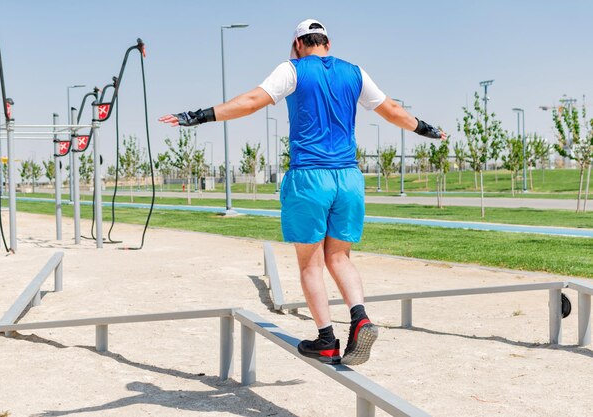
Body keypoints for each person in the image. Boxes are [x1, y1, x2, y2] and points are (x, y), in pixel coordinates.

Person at [160, 18, 445, 366]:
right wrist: (428, 130)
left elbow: (251, 101)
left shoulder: (292, 70)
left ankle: (326, 339)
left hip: (310, 178)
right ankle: (360, 319)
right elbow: (394, 111)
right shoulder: (355, 72)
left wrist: (197, 116)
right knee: (339, 257)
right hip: (349, 179)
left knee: (310, 262)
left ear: (298, 44)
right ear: (328, 43)